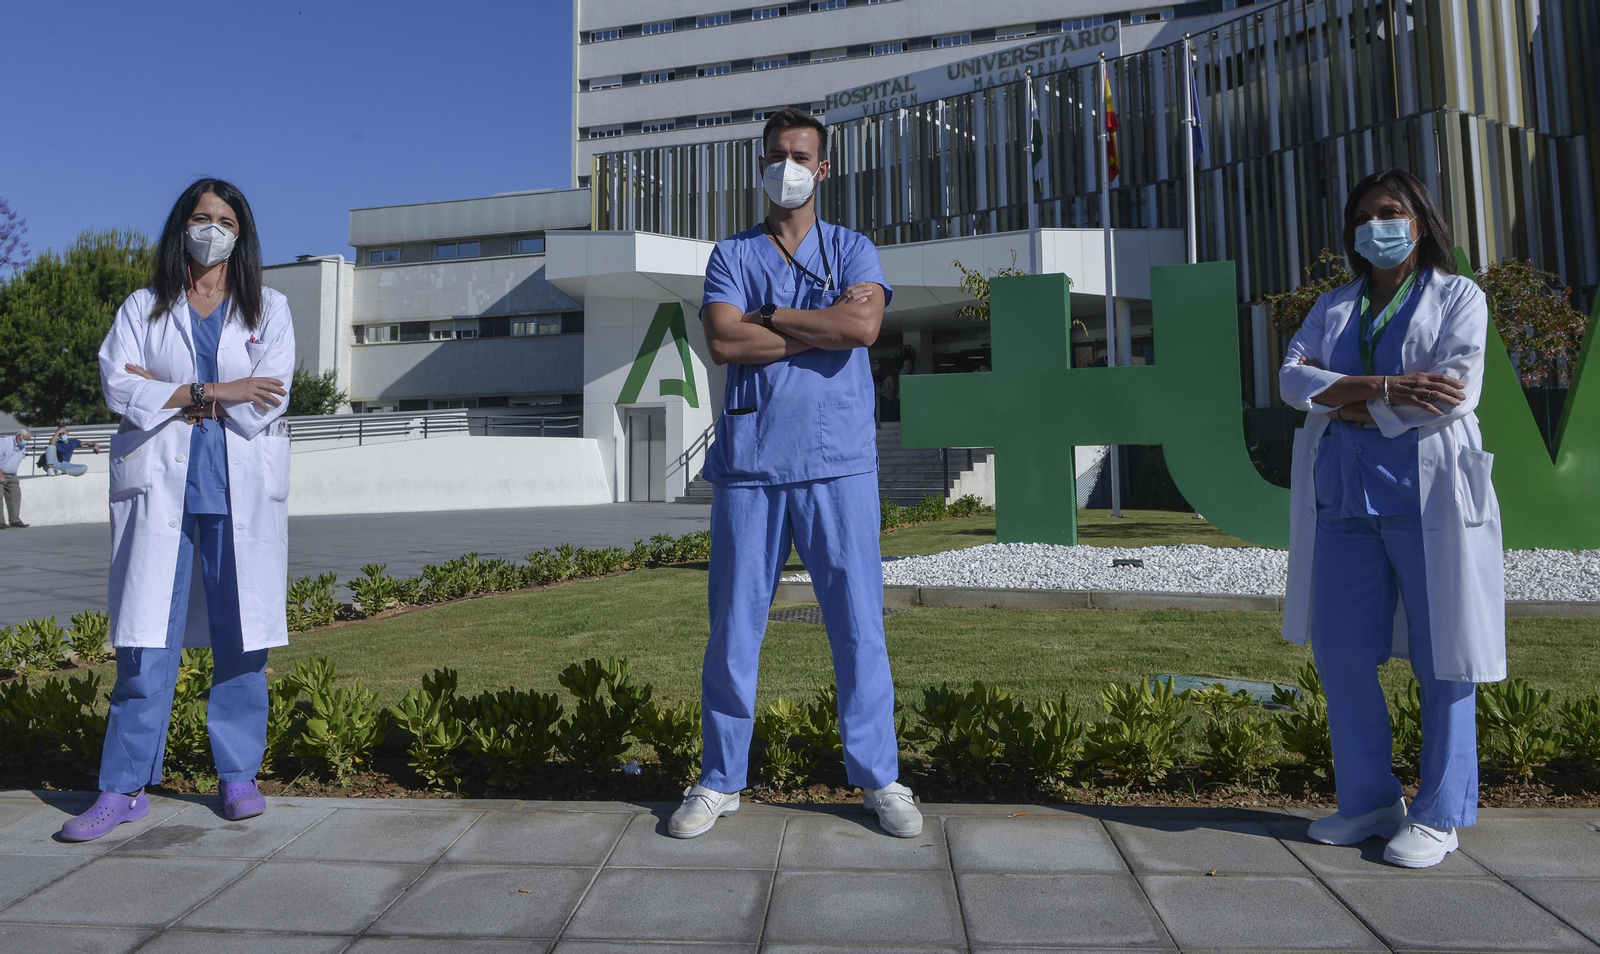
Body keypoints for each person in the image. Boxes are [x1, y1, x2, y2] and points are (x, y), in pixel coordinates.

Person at [674, 107, 919, 840]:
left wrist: (773, 314)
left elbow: (862, 329)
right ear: (761, 164)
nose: (788, 165)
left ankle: (880, 779)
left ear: (824, 168)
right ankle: (720, 781)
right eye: (776, 154)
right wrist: (817, 329)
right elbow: (722, 341)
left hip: (838, 466)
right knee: (733, 631)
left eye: (801, 154)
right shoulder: (730, 254)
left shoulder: (853, 250)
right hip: (751, 468)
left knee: (858, 628)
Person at [1279, 168, 1503, 869]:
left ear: (1421, 222)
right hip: (1344, 501)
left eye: (1393, 210)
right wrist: (1384, 387)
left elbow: (1451, 394)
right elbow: (1292, 381)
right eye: (1367, 213)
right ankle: (1372, 799)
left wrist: (1343, 400)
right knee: (1342, 652)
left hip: (1426, 500)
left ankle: (1441, 812)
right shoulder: (1335, 305)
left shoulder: (1459, 295)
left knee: (1446, 656)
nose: (1380, 224)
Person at [59, 178, 294, 842]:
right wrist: (212, 390)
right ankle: (122, 789)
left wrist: (173, 396)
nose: (211, 228)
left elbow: (267, 398)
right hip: (160, 494)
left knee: (241, 642)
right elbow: (118, 383)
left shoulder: (267, 308)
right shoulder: (145, 305)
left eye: (224, 219)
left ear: (240, 233)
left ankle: (238, 776)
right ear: (181, 226)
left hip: (237, 493)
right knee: (144, 647)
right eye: (201, 216)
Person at [0, 428, 30, 528]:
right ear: (19, 436)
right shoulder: (5, 442)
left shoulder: (22, 446)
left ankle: (14, 520)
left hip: (12, 474)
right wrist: (1, 475)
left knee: (15, 495)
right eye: (25, 439)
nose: (27, 441)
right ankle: (1, 522)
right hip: (1, 473)